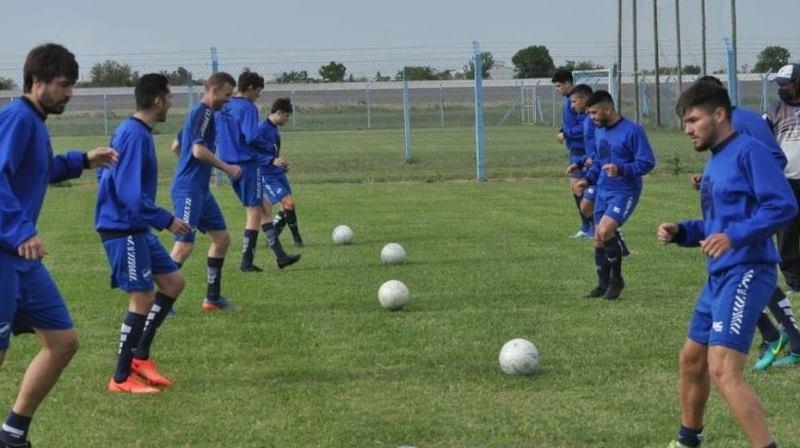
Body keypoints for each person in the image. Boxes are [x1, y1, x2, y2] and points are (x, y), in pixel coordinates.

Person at [659, 81, 796, 448]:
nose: (687, 129)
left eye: (693, 120)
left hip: (749, 269)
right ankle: (688, 440)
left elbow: (783, 205)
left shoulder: (750, 152)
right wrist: (683, 232)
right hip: (720, 274)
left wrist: (734, 237)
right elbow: (717, 225)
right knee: (691, 360)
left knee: (723, 369)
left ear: (719, 114)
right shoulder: (717, 160)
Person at [0, 43, 118, 448]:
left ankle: (13, 432)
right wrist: (21, 231)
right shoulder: (16, 118)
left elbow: (40, 169)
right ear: (37, 81)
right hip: (5, 252)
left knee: (63, 341)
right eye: (64, 85)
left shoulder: (33, 122)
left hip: (21, 260)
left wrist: (84, 160)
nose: (69, 94)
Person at [691, 76, 800, 371]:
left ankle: (788, 338)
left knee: (752, 274)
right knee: (738, 278)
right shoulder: (720, 132)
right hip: (734, 215)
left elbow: (773, 158)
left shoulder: (747, 121)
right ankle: (775, 335)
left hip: (757, 210)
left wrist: (752, 182)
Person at [95, 74, 191, 394]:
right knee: (142, 297)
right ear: (158, 101)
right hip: (124, 228)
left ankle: (140, 357)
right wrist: (167, 219)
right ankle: (120, 378)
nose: (172, 103)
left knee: (173, 282)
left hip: (134, 226)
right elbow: (129, 194)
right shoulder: (134, 135)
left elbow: (103, 173)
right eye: (170, 97)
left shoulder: (132, 131)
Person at [169, 72, 242, 312]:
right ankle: (157, 303)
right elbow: (198, 151)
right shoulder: (205, 113)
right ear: (213, 90)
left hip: (198, 188)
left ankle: (212, 299)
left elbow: (177, 146)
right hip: (189, 189)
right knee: (184, 246)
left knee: (221, 239)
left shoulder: (198, 113)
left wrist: (188, 168)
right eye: (226, 95)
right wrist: (228, 168)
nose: (228, 100)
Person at [575, 91, 655, 300]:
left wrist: (622, 169)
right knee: (598, 239)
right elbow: (600, 162)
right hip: (603, 189)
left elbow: (647, 162)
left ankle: (616, 281)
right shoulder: (600, 131)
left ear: (608, 109)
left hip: (625, 191)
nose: (591, 117)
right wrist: (588, 179)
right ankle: (602, 285)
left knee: (605, 229)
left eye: (594, 113)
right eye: (589, 114)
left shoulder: (633, 131)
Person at [216, 70, 299, 271]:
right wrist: (269, 150)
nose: (259, 96)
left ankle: (281, 256)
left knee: (264, 207)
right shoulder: (248, 108)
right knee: (254, 212)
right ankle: (246, 262)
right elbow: (251, 136)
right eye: (259, 91)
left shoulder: (223, 107)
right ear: (251, 88)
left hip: (228, 165)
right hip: (245, 165)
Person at [762, 64, 800, 367]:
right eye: (780, 83)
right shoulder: (774, 111)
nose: (782, 87)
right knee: (786, 233)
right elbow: (763, 140)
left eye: (786, 83)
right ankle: (794, 281)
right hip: (786, 181)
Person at [258, 98, 304, 264]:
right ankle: (296, 238)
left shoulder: (274, 130)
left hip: (276, 173)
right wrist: (270, 162)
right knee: (288, 203)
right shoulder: (261, 129)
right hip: (266, 174)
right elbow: (251, 152)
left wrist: (280, 163)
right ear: (278, 113)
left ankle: (274, 237)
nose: (287, 119)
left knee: (288, 205)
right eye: (286, 115)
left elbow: (272, 153)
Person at [552, 69, 592, 239]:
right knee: (576, 188)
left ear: (568, 83)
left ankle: (592, 227)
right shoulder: (569, 101)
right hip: (575, 150)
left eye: (558, 85)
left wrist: (566, 133)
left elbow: (584, 126)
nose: (557, 89)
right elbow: (570, 123)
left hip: (583, 151)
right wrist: (563, 129)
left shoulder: (576, 102)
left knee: (580, 187)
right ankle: (586, 227)